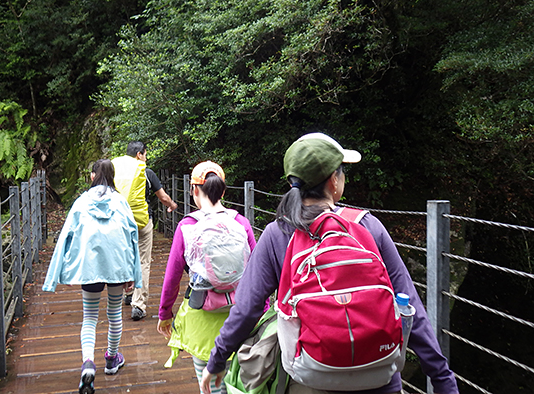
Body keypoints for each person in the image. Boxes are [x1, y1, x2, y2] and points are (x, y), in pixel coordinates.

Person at [200, 133, 459, 394]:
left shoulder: (278, 234)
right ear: (334, 181)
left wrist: (218, 359)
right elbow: (410, 306)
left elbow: (246, 310)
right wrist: (442, 379)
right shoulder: (368, 226)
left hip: (311, 378)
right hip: (379, 378)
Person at [42, 159, 142, 394]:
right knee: (115, 312)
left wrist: (53, 275)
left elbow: (66, 233)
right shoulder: (120, 202)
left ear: (92, 176)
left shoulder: (81, 202)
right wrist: (134, 272)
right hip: (118, 265)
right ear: (112, 177)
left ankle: (88, 364)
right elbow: (133, 235)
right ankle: (111, 358)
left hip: (90, 268)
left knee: (90, 316)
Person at [157, 161, 256, 394]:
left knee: (210, 386)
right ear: (223, 191)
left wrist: (165, 314)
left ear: (194, 190)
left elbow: (172, 277)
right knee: (239, 384)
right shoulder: (241, 223)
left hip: (201, 315)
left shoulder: (186, 226)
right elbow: (256, 272)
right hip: (238, 317)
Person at [122, 141, 178, 321]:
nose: (146, 157)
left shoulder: (118, 173)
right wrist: (171, 205)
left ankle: (128, 293)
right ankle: (138, 304)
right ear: (139, 154)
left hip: (122, 222)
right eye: (145, 154)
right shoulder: (147, 173)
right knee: (143, 261)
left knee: (128, 256)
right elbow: (162, 197)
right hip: (143, 222)